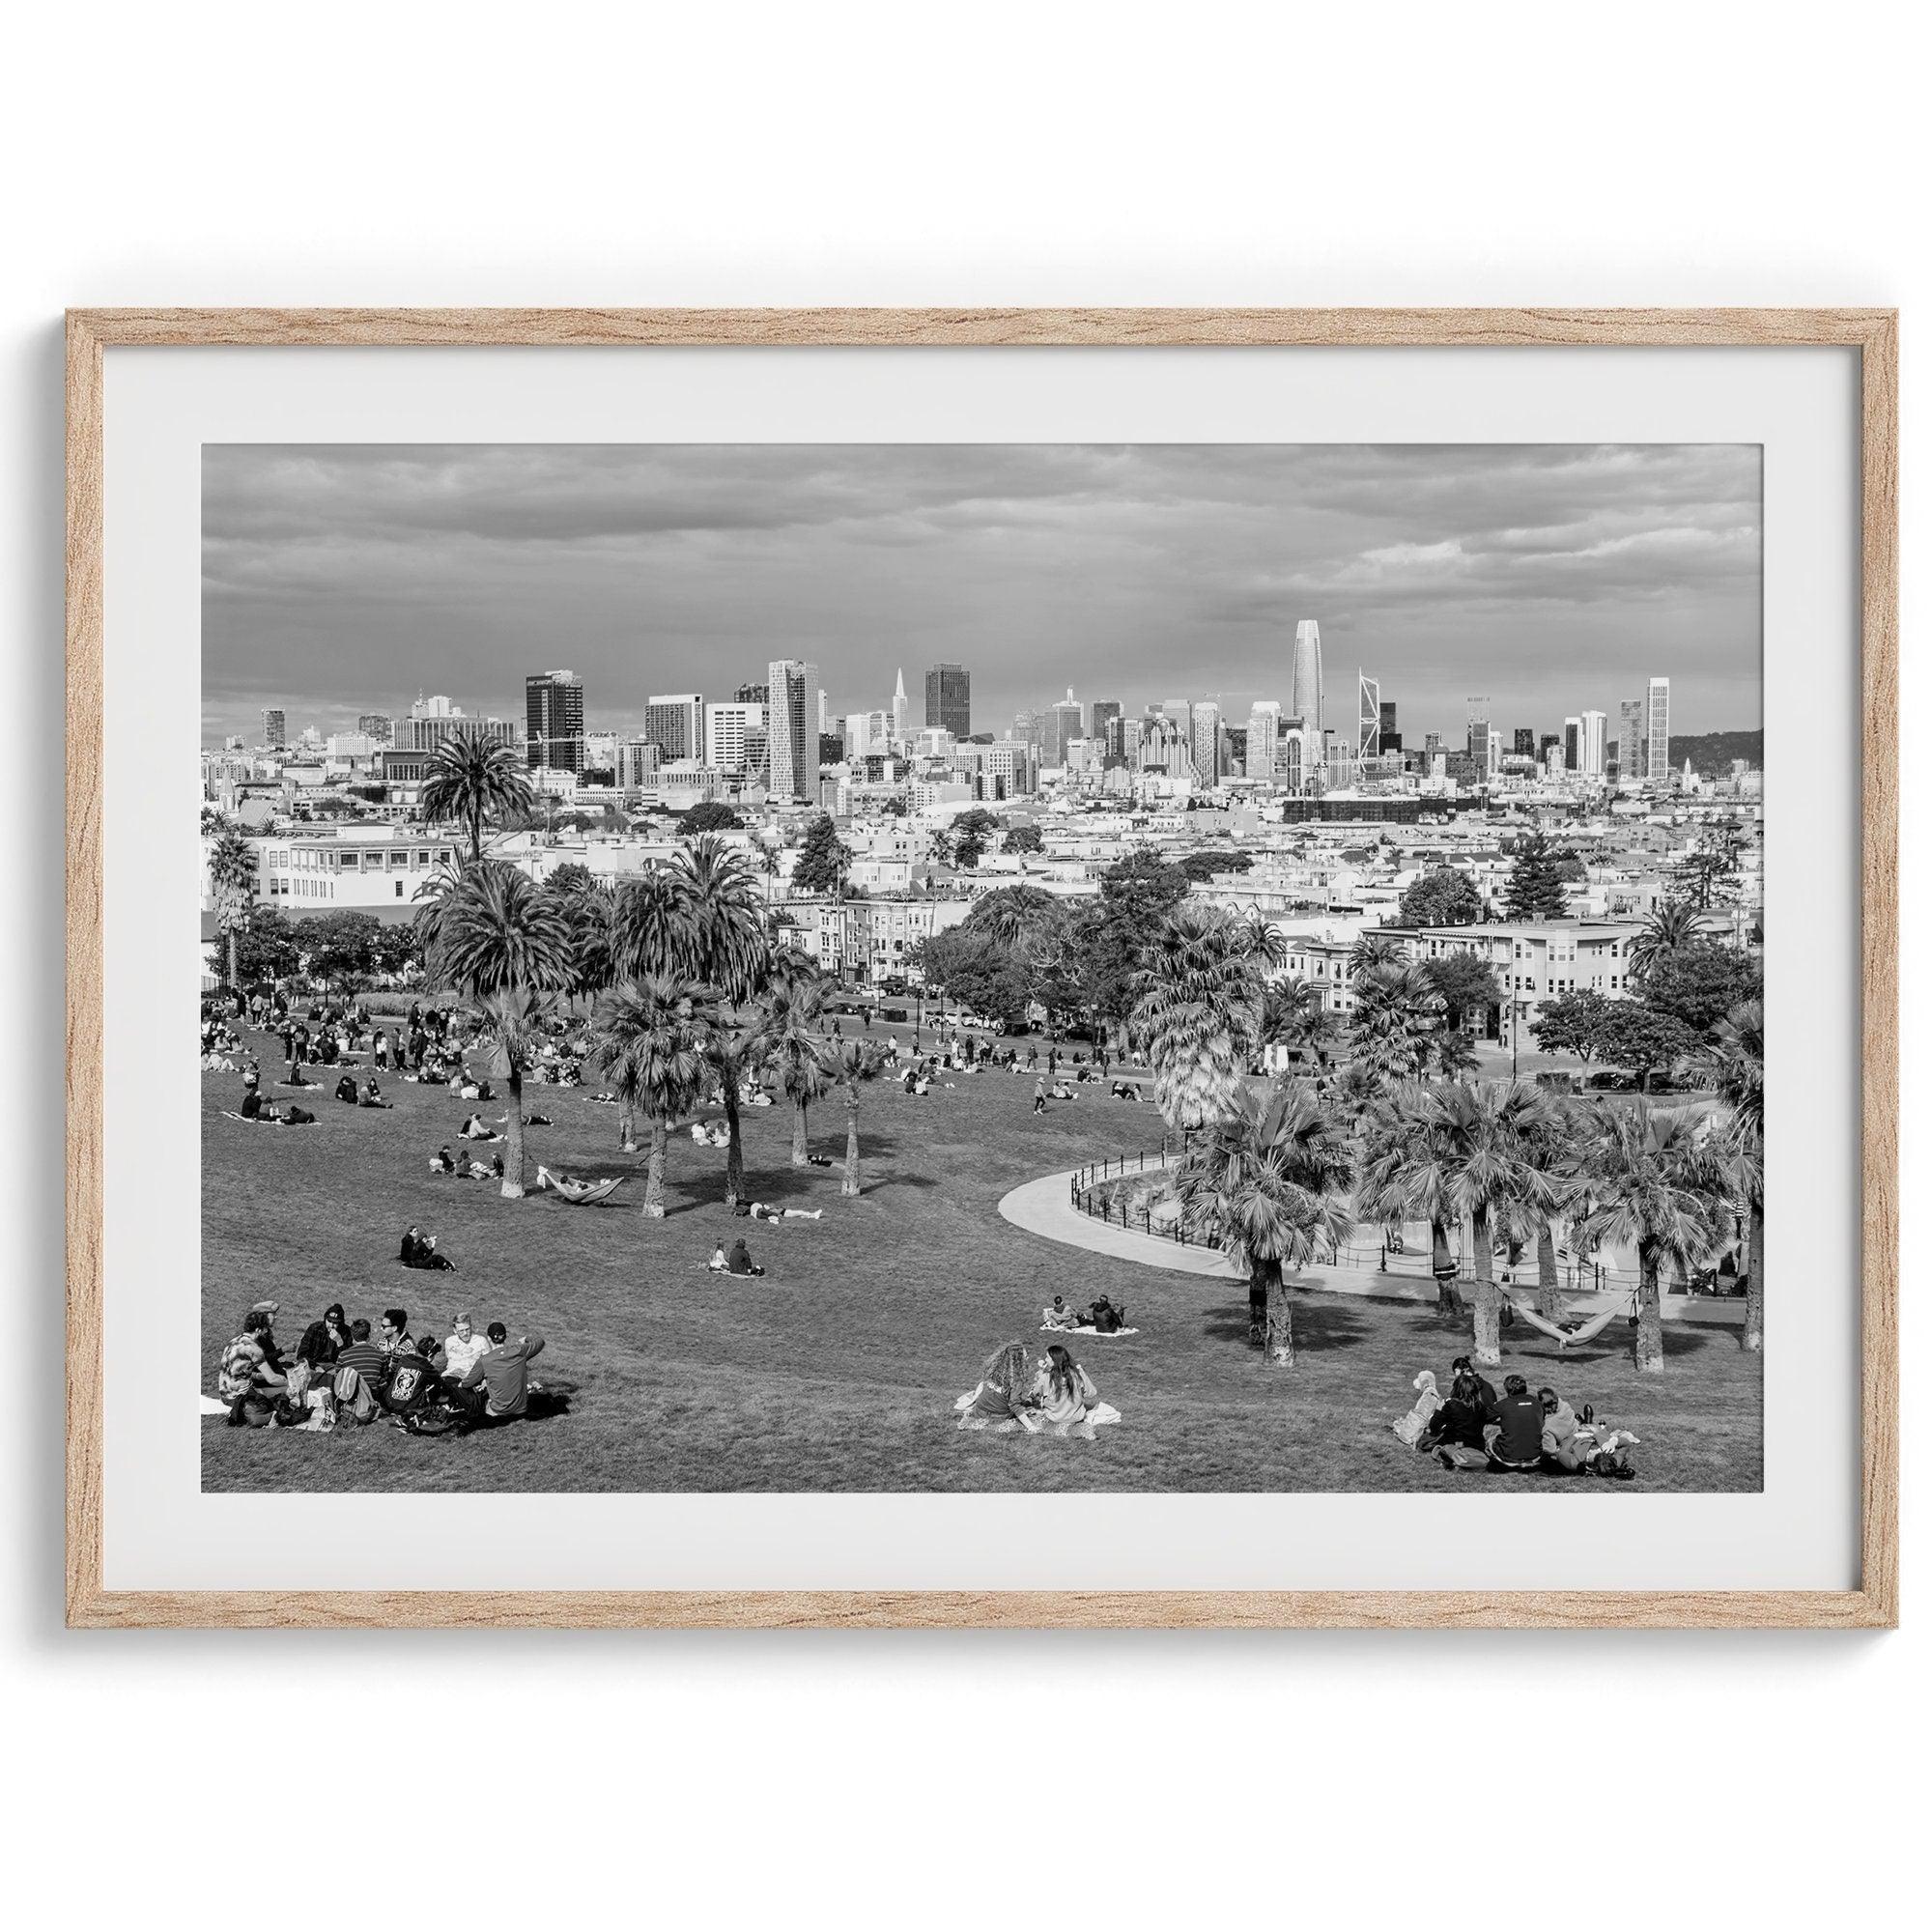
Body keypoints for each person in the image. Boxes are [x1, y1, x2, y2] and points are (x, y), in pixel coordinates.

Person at [454, 1322, 547, 1426]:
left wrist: (460, 1385)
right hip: (521, 1409)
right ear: (505, 1336)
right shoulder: (520, 1350)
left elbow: (467, 1383)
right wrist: (526, 1338)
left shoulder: (485, 1360)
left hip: (497, 1412)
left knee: (460, 1388)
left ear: (488, 1338)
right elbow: (540, 1341)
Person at [1031, 1343, 1118, 1439]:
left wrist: (1040, 1372)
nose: (1045, 1360)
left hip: (1054, 1418)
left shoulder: (1045, 1377)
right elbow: (1091, 1393)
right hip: (1075, 1417)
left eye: (1047, 1357)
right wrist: (1081, 1371)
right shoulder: (1077, 1374)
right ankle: (1082, 1430)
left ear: (1054, 1361)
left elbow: (1034, 1393)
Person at [216, 1310, 285, 1424]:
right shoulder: (254, 1349)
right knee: (284, 1392)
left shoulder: (233, 1342)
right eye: (266, 1328)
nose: (267, 1331)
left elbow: (239, 1371)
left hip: (225, 1395)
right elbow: (272, 1379)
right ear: (259, 1329)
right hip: (239, 1398)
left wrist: (259, 1376)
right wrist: (289, 1382)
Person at [954, 1341, 1037, 1433]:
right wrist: (1031, 1427)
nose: (1028, 1358)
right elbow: (1014, 1405)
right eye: (1025, 1357)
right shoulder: (1016, 1380)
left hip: (979, 1411)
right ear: (1018, 1361)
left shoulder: (995, 1370)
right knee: (1028, 1409)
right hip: (999, 1416)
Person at [331, 1318, 389, 1423]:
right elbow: (384, 1381)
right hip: (373, 1397)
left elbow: (338, 1379)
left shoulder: (343, 1355)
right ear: (369, 1335)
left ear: (352, 1336)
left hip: (351, 1397)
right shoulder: (380, 1355)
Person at [296, 1302, 352, 1370]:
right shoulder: (315, 1329)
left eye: (335, 1323)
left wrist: (339, 1341)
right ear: (325, 1319)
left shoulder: (346, 1332)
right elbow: (302, 1354)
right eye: (329, 1321)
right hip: (314, 1364)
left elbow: (347, 1359)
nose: (331, 1326)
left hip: (334, 1366)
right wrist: (316, 1367)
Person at [441, 1311, 490, 1383]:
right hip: (451, 1376)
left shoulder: (481, 1341)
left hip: (471, 1378)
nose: (465, 1333)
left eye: (467, 1329)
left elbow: (489, 1364)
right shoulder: (449, 1342)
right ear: (455, 1330)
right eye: (461, 1331)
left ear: (471, 1327)